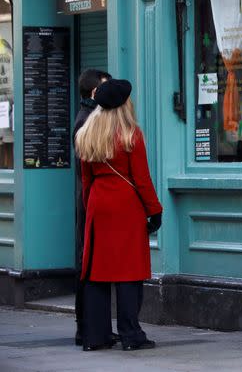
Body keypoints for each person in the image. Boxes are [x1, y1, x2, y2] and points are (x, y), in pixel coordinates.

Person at [75, 79, 163, 351]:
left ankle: (95, 336)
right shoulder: (131, 135)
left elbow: (86, 181)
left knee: (96, 272)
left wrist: (91, 208)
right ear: (125, 105)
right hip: (126, 206)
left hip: (98, 204)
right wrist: (154, 210)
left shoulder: (87, 133)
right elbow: (142, 179)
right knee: (128, 272)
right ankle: (130, 334)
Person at [72, 69, 111, 346]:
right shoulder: (87, 122)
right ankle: (86, 327)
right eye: (106, 89)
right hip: (88, 203)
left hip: (89, 201)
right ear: (95, 93)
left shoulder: (91, 118)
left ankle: (91, 327)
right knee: (87, 265)